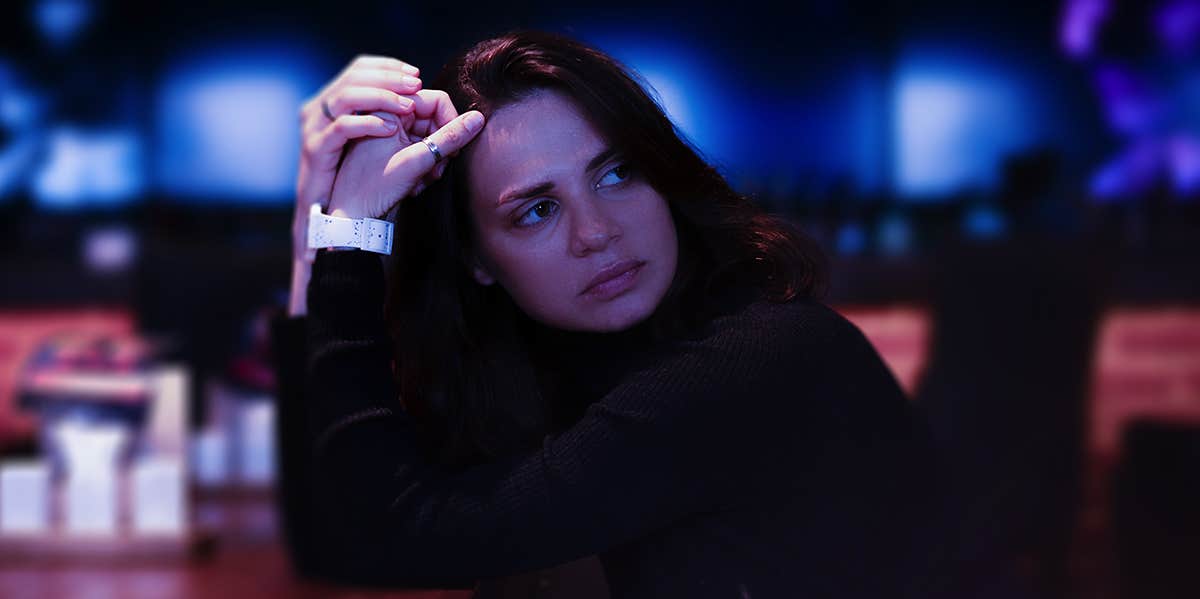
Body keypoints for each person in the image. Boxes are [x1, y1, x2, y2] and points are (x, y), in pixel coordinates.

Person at [272, 30, 944, 598]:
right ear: (478, 261)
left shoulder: (759, 358)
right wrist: (316, 231)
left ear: (662, 173)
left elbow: (390, 535)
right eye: (537, 209)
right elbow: (337, 539)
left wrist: (346, 239)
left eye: (616, 173)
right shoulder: (567, 375)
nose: (595, 231)